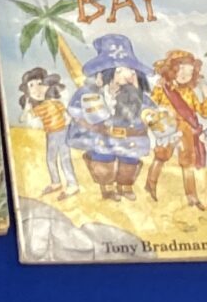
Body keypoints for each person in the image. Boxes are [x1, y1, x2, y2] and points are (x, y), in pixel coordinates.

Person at [68, 35, 153, 200]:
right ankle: (106, 187)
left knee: (129, 161)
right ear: (105, 74)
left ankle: (126, 186)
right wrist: (85, 120)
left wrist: (159, 126)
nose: (127, 74)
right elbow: (75, 108)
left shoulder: (137, 97)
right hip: (103, 136)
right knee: (103, 161)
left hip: (131, 138)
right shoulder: (92, 92)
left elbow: (151, 112)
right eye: (119, 70)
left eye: (130, 70)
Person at [149, 48, 207, 208]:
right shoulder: (163, 89)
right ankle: (150, 185)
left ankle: (192, 197)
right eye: (181, 69)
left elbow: (204, 113)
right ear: (172, 70)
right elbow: (150, 105)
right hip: (167, 127)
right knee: (161, 157)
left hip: (186, 130)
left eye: (189, 71)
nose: (185, 74)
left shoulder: (190, 92)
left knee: (187, 163)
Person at [18, 68, 78, 197]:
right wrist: (27, 108)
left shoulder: (54, 102)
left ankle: (72, 185)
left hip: (62, 131)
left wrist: (67, 122)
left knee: (64, 158)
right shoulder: (38, 108)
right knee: (50, 158)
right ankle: (56, 182)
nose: (37, 89)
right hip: (51, 134)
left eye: (40, 84)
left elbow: (67, 114)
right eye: (31, 86)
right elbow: (22, 119)